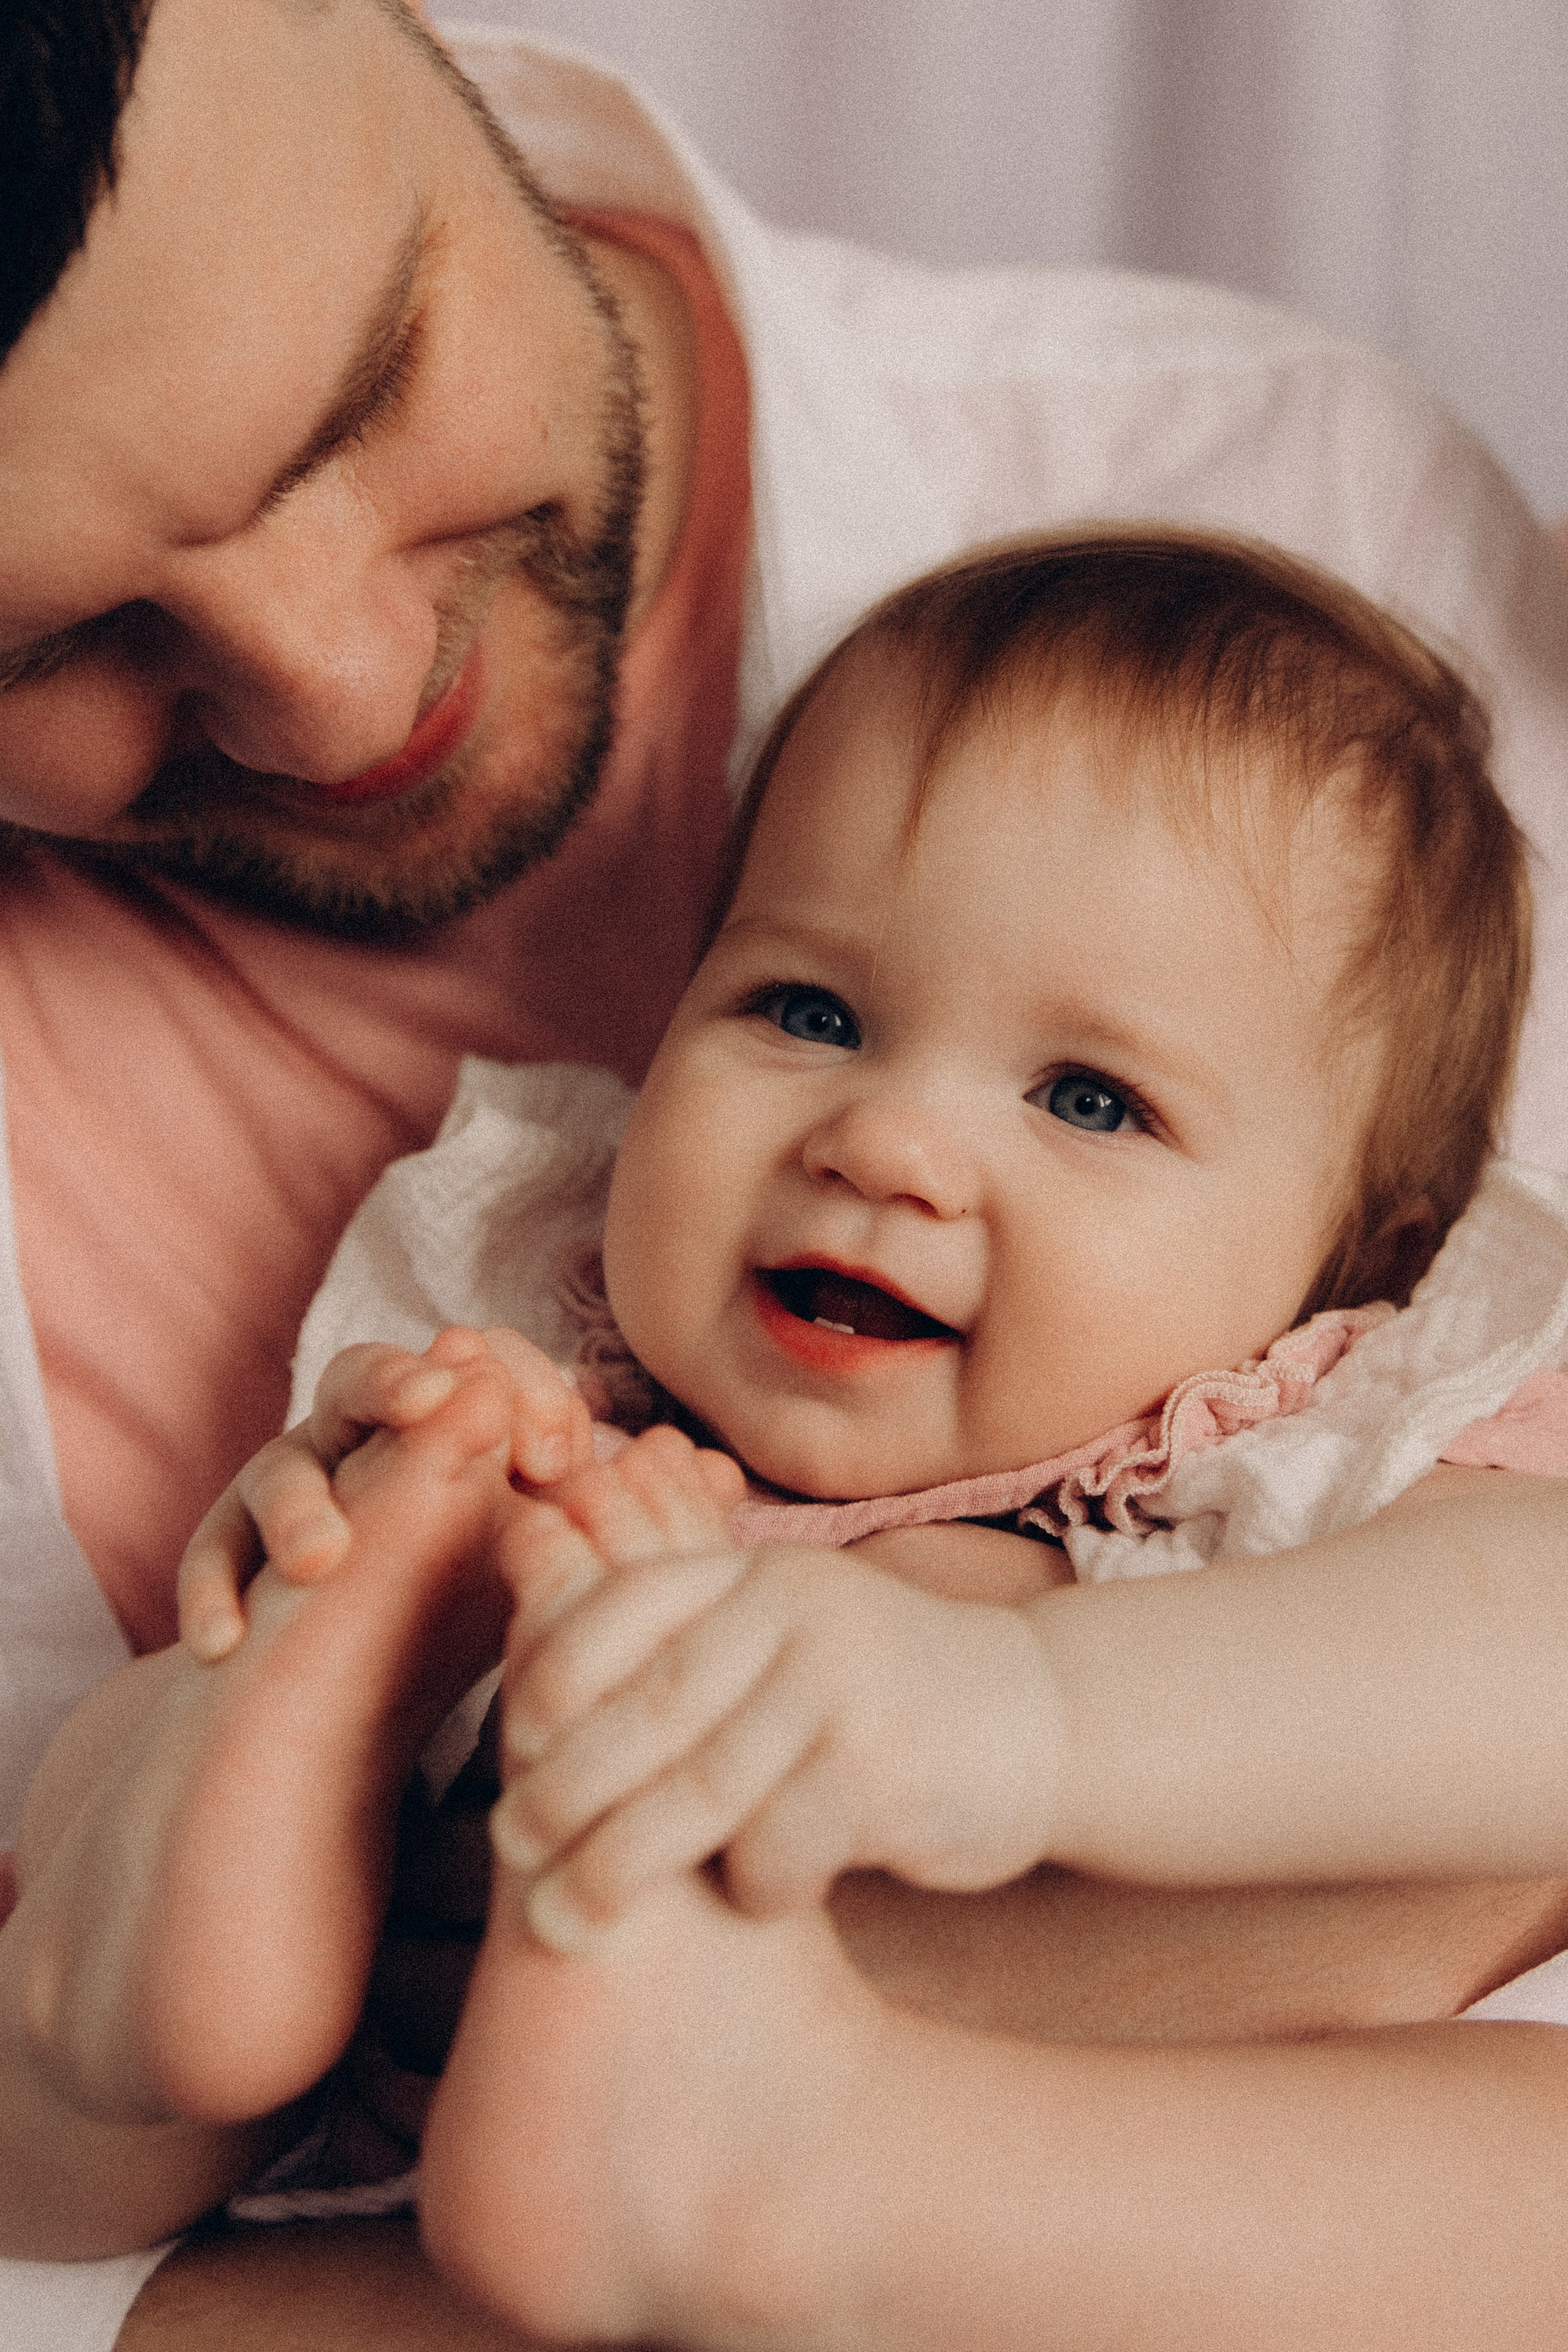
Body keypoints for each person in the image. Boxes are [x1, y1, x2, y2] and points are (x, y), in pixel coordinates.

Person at [5, 0, 1568, 2342]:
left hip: (954, 2179)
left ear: (1354, 1249)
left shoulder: (1327, 1394)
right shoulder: (539, 1316)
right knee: (174, 1751)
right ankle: (155, 1993)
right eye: (803, 1011)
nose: (888, 1136)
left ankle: (796, 2152)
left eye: (1093, 1103)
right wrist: (335, 1617)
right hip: (364, 2111)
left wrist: (1016, 1724)